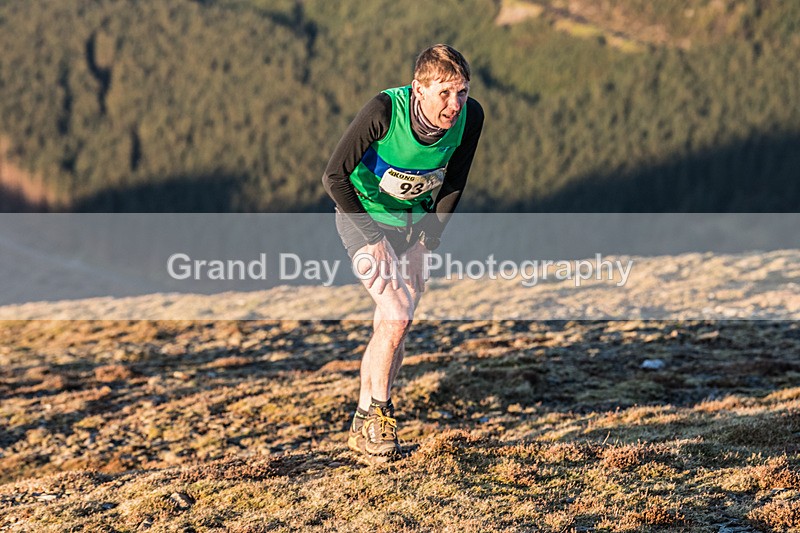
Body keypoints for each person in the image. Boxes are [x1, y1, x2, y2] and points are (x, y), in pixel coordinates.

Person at [322, 44, 484, 461]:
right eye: (444, 93)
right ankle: (380, 415)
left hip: (413, 229)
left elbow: (454, 183)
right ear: (418, 89)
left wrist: (425, 245)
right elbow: (334, 177)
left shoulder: (470, 118)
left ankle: (362, 422)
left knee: (392, 324)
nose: (455, 104)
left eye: (462, 91)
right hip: (362, 219)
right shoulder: (383, 111)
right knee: (397, 315)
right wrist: (373, 237)